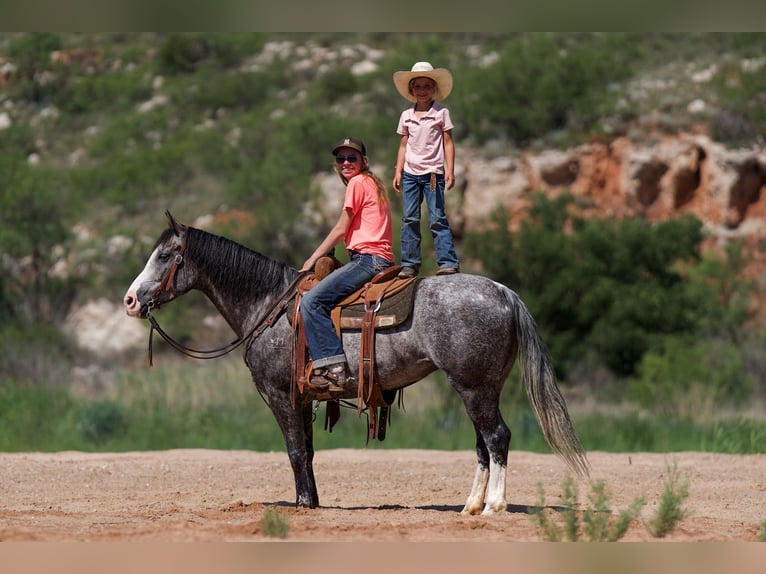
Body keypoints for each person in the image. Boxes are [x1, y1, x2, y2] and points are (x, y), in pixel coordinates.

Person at [300, 136, 394, 392]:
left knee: (312, 302)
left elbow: (342, 228)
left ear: (364, 161)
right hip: (380, 258)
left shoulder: (357, 183)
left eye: (352, 157)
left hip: (368, 260)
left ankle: (333, 368)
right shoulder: (372, 183)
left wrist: (312, 258)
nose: (346, 162)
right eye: (341, 158)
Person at [392, 61, 460, 279]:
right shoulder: (406, 116)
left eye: (426, 86)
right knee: (409, 218)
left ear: (434, 89)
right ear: (412, 90)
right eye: (418, 86)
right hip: (411, 173)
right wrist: (398, 171)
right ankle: (410, 263)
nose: (422, 91)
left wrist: (450, 170)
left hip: (432, 173)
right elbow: (403, 145)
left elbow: (448, 142)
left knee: (437, 217)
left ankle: (447, 261)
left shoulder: (441, 113)